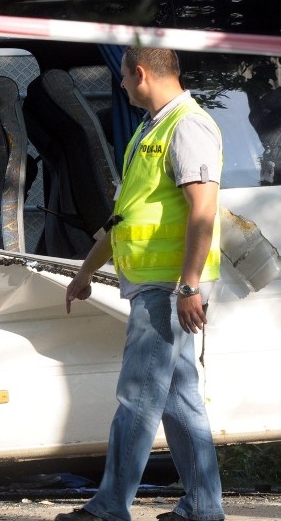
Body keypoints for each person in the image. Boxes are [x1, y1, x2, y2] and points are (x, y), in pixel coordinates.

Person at [55, 47, 225, 521]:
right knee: (178, 399)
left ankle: (110, 506)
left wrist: (189, 285)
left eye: (125, 77)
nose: (123, 85)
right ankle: (203, 507)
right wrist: (85, 272)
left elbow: (203, 209)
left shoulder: (187, 125)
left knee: (138, 395)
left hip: (169, 287)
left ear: (142, 73)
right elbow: (123, 218)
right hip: (156, 283)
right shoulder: (150, 130)